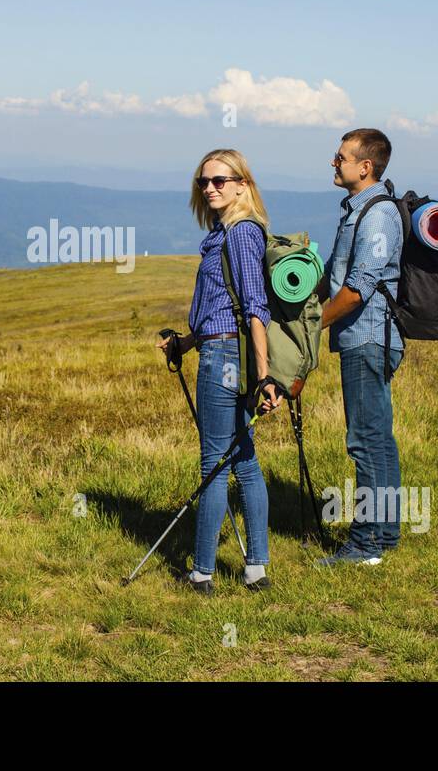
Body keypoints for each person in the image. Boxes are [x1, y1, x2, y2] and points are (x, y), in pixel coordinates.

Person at [157, 149, 282, 595]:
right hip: (219, 350)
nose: (210, 187)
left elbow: (254, 309)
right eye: (203, 182)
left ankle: (202, 573)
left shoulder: (240, 234)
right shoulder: (224, 234)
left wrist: (264, 376)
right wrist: (186, 342)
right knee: (243, 460)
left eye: (220, 180)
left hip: (225, 361)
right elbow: (222, 311)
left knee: (214, 463)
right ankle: (256, 570)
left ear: (243, 184)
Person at [315, 128, 404, 566]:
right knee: (379, 441)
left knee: (365, 442)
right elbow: (332, 275)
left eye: (340, 157)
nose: (334, 162)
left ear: (364, 166)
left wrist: (314, 327)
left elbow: (357, 288)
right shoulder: (357, 211)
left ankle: (366, 545)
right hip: (363, 337)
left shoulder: (378, 214)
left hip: (368, 338)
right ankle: (384, 537)